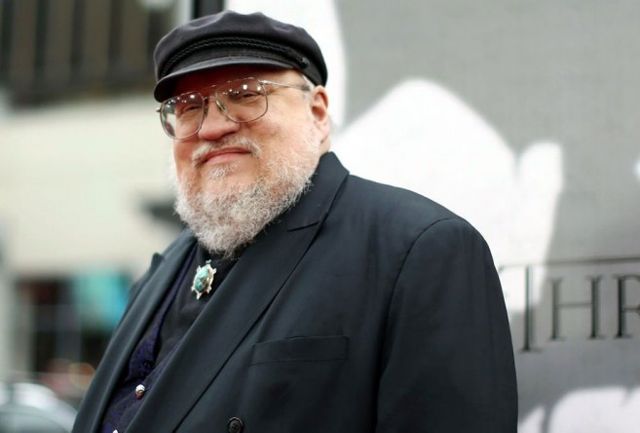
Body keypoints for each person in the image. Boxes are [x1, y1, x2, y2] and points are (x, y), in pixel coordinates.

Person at [72, 10, 517, 433]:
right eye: (189, 106)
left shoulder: (419, 251)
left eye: (245, 94)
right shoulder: (162, 271)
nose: (211, 128)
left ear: (318, 113)